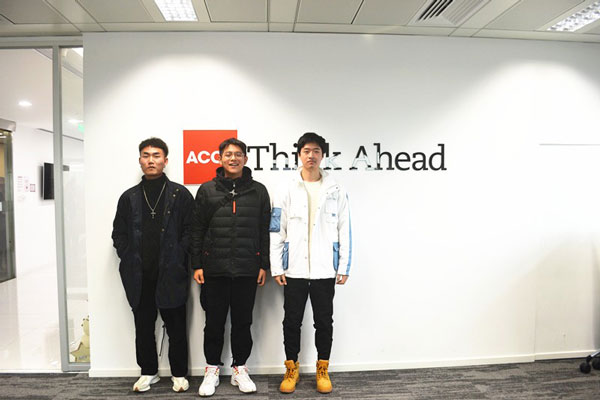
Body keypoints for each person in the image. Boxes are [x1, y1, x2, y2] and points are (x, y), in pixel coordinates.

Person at [270, 132, 352, 394]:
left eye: (316, 151)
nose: (311, 156)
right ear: (299, 155)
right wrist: (276, 266)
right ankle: (291, 368)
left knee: (324, 322)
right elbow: (276, 229)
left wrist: (344, 266)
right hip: (293, 269)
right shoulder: (286, 188)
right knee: (291, 322)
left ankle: (322, 369)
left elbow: (344, 229)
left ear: (322, 155)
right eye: (306, 151)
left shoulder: (336, 190)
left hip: (324, 270)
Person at [112, 137, 194, 393]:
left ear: (165, 161)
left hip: (171, 273)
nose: (151, 160)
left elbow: (191, 231)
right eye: (146, 155)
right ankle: (148, 372)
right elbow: (118, 234)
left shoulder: (180, 194)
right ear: (140, 160)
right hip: (139, 275)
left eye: (156, 156)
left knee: (176, 327)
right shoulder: (129, 197)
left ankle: (179, 374)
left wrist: (179, 255)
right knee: (143, 327)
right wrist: (128, 255)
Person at [191, 138, 271, 397]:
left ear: (245, 159)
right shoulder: (207, 190)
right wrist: (197, 264)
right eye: (228, 154)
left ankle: (240, 369)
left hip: (247, 268)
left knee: (242, 322)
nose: (233, 158)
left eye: (238, 154)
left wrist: (264, 264)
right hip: (214, 268)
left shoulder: (259, 191)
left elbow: (265, 231)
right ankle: (212, 369)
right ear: (220, 159)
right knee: (213, 322)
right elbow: (197, 229)